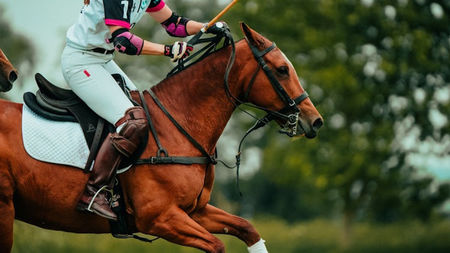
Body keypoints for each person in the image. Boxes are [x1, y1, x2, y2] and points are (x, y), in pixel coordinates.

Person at [62, 0, 224, 220]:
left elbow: (174, 24)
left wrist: (206, 26)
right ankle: (93, 191)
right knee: (133, 122)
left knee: (147, 116)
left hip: (103, 60)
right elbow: (123, 41)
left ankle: (125, 191)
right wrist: (167, 50)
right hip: (81, 63)